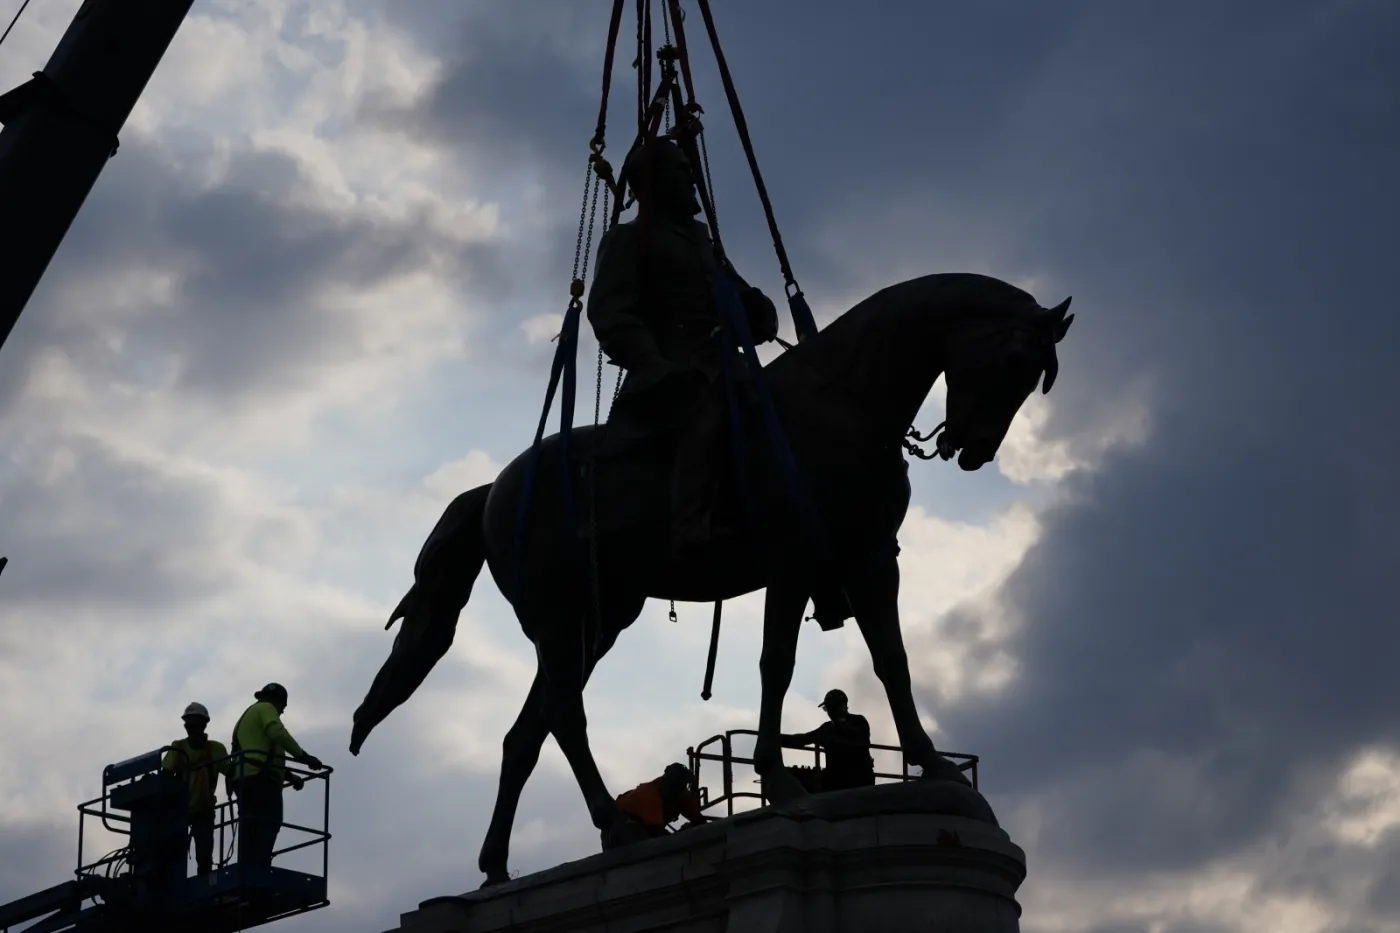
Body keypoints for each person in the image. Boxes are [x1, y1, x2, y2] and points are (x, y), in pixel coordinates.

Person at [586, 135, 779, 555]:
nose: (692, 177)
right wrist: (650, 362)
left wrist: (757, 309)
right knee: (704, 415)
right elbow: (610, 311)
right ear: (652, 181)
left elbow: (732, 292)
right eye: (680, 168)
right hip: (674, 369)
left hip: (726, 363)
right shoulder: (626, 239)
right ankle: (690, 524)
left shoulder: (703, 243)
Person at [230, 683, 324, 869]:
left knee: (250, 824)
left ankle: (247, 866)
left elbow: (264, 753)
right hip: (260, 779)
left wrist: (289, 776)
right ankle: (260, 865)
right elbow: (277, 733)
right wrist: (303, 757)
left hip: (245, 777)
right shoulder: (266, 709)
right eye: (283, 706)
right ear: (278, 701)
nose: (282, 712)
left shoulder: (250, 716)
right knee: (269, 822)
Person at [160, 701, 230, 876]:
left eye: (195, 725)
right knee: (173, 854)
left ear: (204, 725)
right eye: (189, 725)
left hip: (203, 810)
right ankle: (172, 881)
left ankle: (203, 880)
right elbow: (164, 777)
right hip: (179, 809)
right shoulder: (178, 748)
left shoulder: (216, 749)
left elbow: (232, 773)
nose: (191, 729)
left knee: (204, 854)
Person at [780, 689, 875, 791]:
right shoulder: (828, 728)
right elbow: (804, 739)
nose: (828, 712)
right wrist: (779, 739)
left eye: (829, 708)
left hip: (857, 780)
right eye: (827, 709)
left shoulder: (858, 722)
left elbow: (857, 737)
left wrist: (840, 722)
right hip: (838, 781)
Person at [615, 762, 706, 837]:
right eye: (674, 786)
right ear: (666, 783)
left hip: (649, 829)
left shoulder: (681, 794)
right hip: (620, 827)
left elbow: (699, 820)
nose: (676, 791)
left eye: (681, 786)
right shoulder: (648, 795)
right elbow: (656, 835)